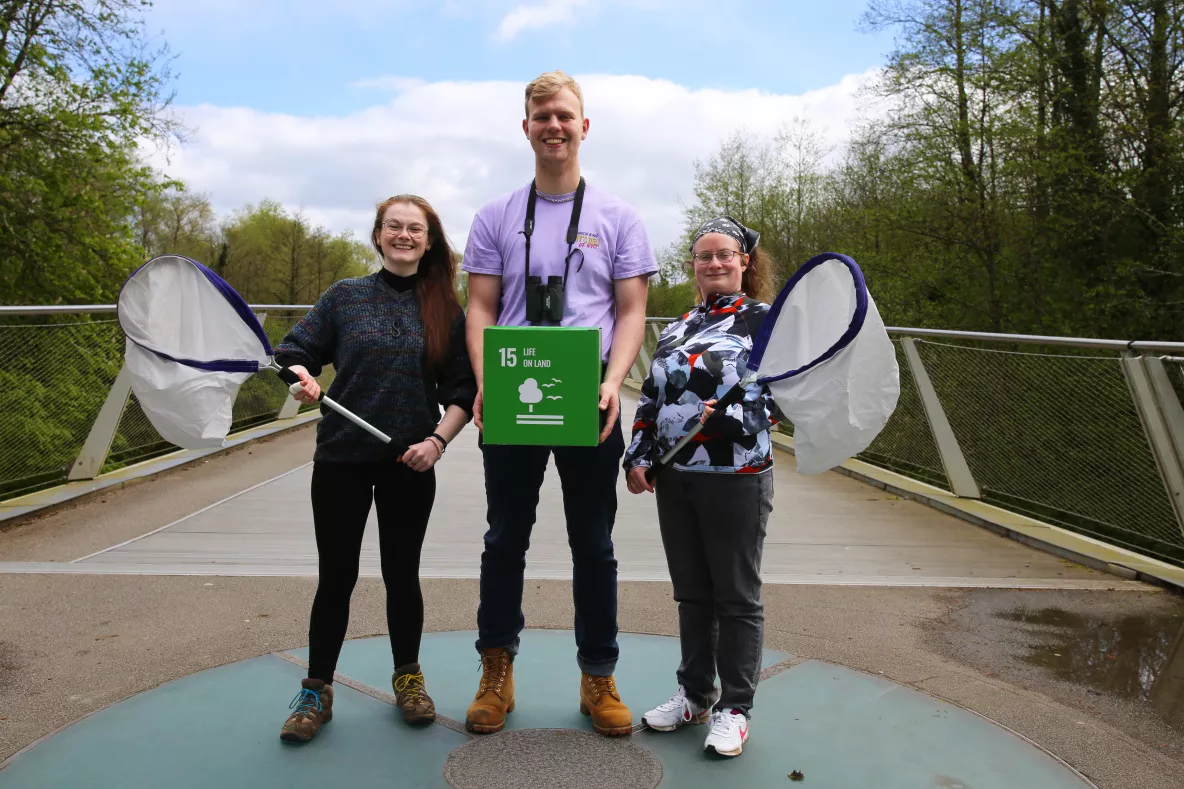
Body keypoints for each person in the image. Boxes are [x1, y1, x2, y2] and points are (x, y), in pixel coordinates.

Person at [461, 70, 657, 737]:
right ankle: (496, 670)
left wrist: (614, 380)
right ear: (526, 127)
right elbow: (481, 306)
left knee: (594, 542)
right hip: (513, 386)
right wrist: (486, 379)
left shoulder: (619, 217)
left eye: (564, 116)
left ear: (584, 126)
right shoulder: (494, 215)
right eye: (541, 115)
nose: (553, 126)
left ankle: (598, 674)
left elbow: (632, 312)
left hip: (590, 388)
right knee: (504, 537)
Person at [273, 194, 476, 743]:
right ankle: (316, 689)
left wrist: (437, 442)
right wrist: (302, 378)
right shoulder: (344, 297)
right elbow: (294, 352)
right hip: (340, 458)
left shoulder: (446, 310)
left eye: (415, 228)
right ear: (379, 235)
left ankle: (408, 678)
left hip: (409, 463)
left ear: (428, 240)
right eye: (394, 227)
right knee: (335, 576)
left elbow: (463, 390)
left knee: (401, 574)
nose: (404, 235)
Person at [623, 216, 782, 758]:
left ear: (745, 262)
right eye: (704, 256)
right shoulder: (679, 325)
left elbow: (790, 398)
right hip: (677, 477)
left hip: (736, 476)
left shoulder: (766, 322)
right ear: (694, 265)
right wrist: (638, 455)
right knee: (692, 595)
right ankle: (696, 696)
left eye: (725, 254)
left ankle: (736, 707)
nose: (714, 263)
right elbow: (652, 394)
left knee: (735, 597)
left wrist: (733, 416)